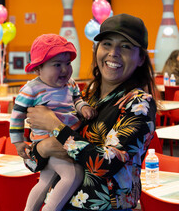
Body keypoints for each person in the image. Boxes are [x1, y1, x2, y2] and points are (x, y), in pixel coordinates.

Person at [25, 14, 157, 210]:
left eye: (126, 47)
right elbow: (31, 162)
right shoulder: (81, 96)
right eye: (107, 44)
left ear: (140, 59)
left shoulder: (138, 104)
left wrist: (56, 127)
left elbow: (106, 164)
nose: (114, 53)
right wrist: (43, 149)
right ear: (96, 50)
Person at [10, 34, 97, 211]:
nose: (65, 70)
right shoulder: (31, 89)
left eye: (68, 64)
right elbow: (17, 116)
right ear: (38, 69)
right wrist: (18, 142)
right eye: (57, 65)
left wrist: (83, 108)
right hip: (46, 141)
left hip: (67, 138)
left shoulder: (70, 84)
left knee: (45, 180)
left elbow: (77, 99)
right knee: (73, 175)